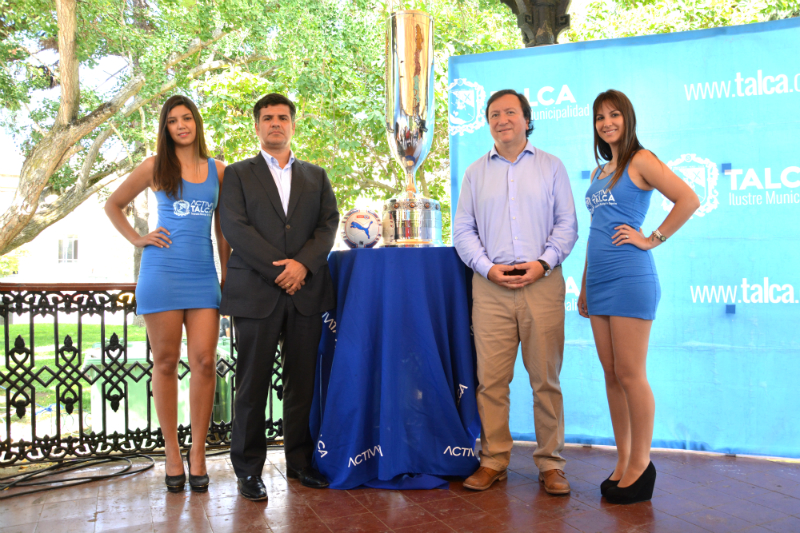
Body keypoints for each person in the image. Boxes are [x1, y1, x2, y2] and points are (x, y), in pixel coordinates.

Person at [453, 89, 579, 494]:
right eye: (494, 114)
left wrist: (543, 263)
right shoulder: (475, 173)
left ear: (527, 119)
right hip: (490, 287)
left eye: (510, 112)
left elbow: (567, 225)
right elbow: (463, 230)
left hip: (542, 282)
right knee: (491, 382)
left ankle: (551, 464)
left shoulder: (551, 166)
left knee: (546, 380)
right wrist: (487, 269)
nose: (502, 119)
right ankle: (493, 460)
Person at [578, 89, 699, 504]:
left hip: (631, 277)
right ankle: (624, 458)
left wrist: (652, 238)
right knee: (612, 374)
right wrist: (584, 284)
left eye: (614, 115)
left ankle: (642, 464)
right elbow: (596, 231)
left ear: (627, 119)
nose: (607, 123)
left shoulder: (641, 160)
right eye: (600, 117)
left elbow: (689, 199)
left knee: (631, 374)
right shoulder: (598, 173)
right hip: (598, 281)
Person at [105, 95, 229, 493]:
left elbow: (223, 232)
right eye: (173, 120)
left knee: (205, 362)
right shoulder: (154, 167)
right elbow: (113, 205)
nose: (181, 125)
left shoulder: (219, 170)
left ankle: (198, 452)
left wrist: (226, 276)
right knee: (165, 362)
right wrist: (138, 238)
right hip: (161, 273)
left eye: (186, 118)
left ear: (197, 123)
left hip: (202, 276)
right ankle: (172, 453)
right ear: (166, 128)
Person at [220, 93, 339, 501]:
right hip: (256, 292)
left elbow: (327, 226)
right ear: (257, 126)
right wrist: (281, 270)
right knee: (251, 385)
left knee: (301, 383)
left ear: (293, 124)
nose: (275, 123)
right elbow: (235, 228)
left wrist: (302, 265)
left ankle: (300, 462)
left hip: (306, 291)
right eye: (268, 117)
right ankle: (248, 470)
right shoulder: (237, 174)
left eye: (283, 117)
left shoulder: (316, 176)